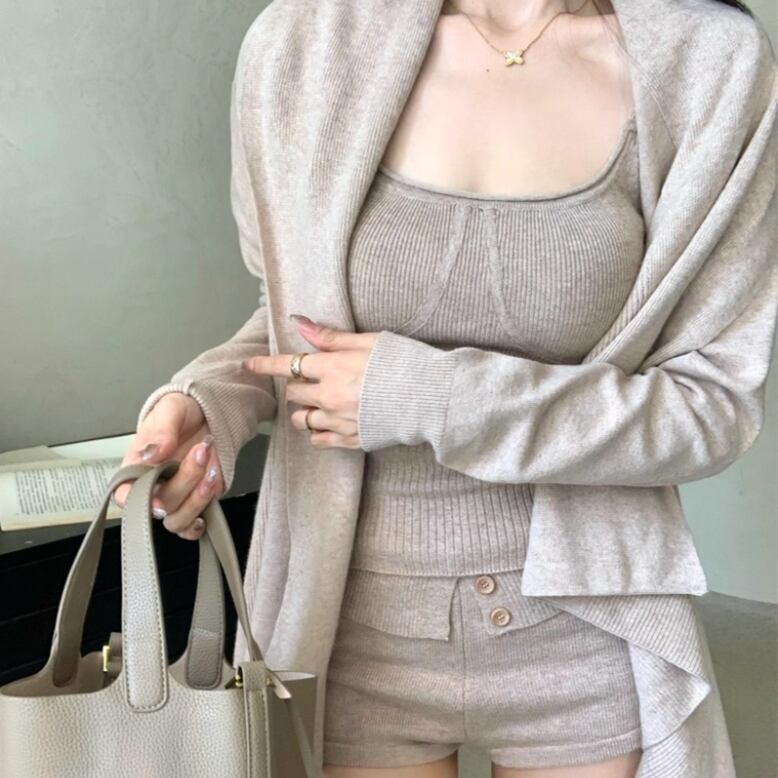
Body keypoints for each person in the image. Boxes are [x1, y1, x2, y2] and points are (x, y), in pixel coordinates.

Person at [113, 0, 772, 776]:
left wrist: (429, 397)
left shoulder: (710, 62)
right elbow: (293, 317)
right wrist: (211, 400)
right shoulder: (301, 44)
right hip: (348, 630)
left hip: (589, 629)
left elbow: (711, 405)